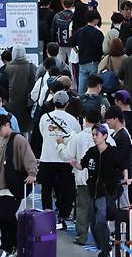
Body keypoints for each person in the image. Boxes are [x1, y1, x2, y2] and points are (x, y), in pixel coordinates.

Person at [0, 113, 37, 256]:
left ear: (8, 125)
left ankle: (17, 244)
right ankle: (7, 246)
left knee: (7, 216)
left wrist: (32, 173)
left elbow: (29, 157)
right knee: (2, 218)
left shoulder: (18, 139)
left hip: (12, 186)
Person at [71, 124, 122, 257]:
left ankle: (105, 250)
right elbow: (82, 165)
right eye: (93, 135)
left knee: (100, 222)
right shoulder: (92, 151)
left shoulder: (112, 152)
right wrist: (76, 164)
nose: (94, 137)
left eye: (96, 135)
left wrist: (124, 178)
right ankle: (102, 246)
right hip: (92, 191)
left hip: (105, 192)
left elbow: (122, 166)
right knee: (93, 224)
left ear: (105, 136)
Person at [57, 109, 101, 245]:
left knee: (83, 207)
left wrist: (59, 144)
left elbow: (66, 155)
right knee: (99, 209)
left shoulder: (78, 137)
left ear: (85, 120)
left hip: (83, 179)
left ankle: (81, 237)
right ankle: (100, 239)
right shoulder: (105, 136)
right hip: (100, 179)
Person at [38, 90, 81, 230]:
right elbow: (76, 137)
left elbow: (42, 133)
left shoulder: (44, 117)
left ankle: (47, 216)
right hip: (65, 159)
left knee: (46, 189)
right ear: (67, 104)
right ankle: (62, 217)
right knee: (66, 190)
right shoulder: (72, 120)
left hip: (47, 158)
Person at [104, 106, 132, 208]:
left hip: (122, 178)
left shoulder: (122, 137)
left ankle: (123, 223)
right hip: (119, 177)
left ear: (116, 119)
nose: (107, 122)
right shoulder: (116, 134)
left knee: (122, 206)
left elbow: (120, 159)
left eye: (108, 119)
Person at [70, 10, 104, 95]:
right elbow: (101, 49)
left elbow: (70, 42)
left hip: (82, 61)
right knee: (94, 86)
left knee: (82, 87)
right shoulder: (98, 33)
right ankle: (92, 103)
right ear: (95, 19)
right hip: (94, 61)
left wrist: (77, 51)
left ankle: (81, 104)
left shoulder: (80, 31)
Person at [5, 44, 36, 131]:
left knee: (13, 126)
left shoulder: (7, 68)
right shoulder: (31, 67)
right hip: (27, 102)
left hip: (12, 102)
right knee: (26, 128)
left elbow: (4, 84)